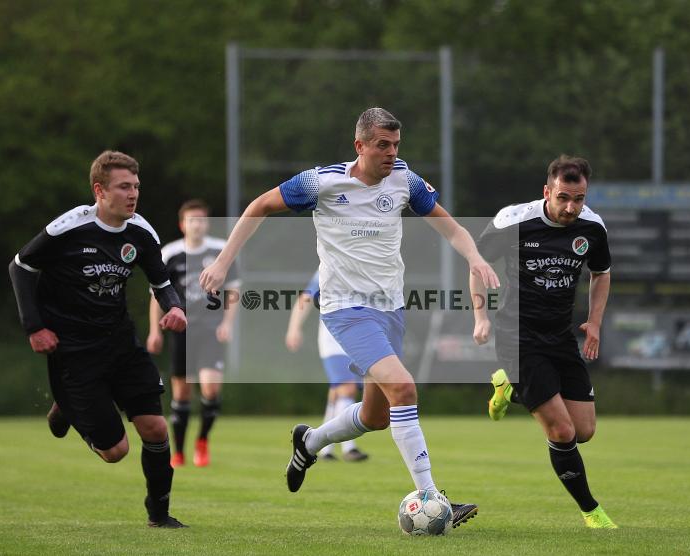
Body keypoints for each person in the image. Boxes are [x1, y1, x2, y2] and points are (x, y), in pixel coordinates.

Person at [200, 107, 499, 529]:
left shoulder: (405, 181)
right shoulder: (321, 182)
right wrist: (223, 262)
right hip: (345, 310)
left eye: (396, 145)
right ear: (359, 145)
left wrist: (476, 258)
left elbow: (452, 228)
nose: (391, 153)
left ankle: (311, 440)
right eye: (382, 145)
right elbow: (258, 207)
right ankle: (433, 497)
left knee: (377, 416)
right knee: (404, 388)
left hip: (390, 310)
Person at [8, 150, 189, 528]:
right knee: (115, 451)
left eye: (136, 186)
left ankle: (159, 514)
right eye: (124, 187)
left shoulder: (141, 231)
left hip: (120, 343)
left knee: (155, 428)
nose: (133, 194)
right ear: (100, 191)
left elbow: (162, 283)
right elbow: (21, 267)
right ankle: (68, 405)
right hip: (73, 349)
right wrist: (34, 327)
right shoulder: (69, 228)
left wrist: (175, 308)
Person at [471, 155, 617, 529]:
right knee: (562, 432)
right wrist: (481, 316)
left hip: (560, 335)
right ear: (547, 191)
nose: (571, 207)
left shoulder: (593, 228)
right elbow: (477, 265)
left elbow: (601, 274)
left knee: (584, 431)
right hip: (517, 336)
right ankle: (591, 511)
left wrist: (595, 323)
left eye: (579, 199)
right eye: (564, 197)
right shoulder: (513, 221)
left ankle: (509, 387)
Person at [146, 200, 240, 468]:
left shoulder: (219, 250)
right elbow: (156, 296)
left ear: (206, 223)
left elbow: (233, 290)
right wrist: (155, 331)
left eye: (200, 219)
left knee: (211, 390)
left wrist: (227, 323)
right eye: (191, 220)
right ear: (182, 224)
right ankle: (178, 452)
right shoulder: (170, 253)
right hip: (182, 331)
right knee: (182, 396)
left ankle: (202, 441)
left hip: (211, 330)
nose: (196, 224)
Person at [285, 271, 368, 462]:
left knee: (338, 392)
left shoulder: (366, 261)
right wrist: (294, 328)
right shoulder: (330, 263)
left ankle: (325, 448)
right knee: (347, 387)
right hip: (334, 339)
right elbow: (306, 298)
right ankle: (349, 447)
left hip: (359, 338)